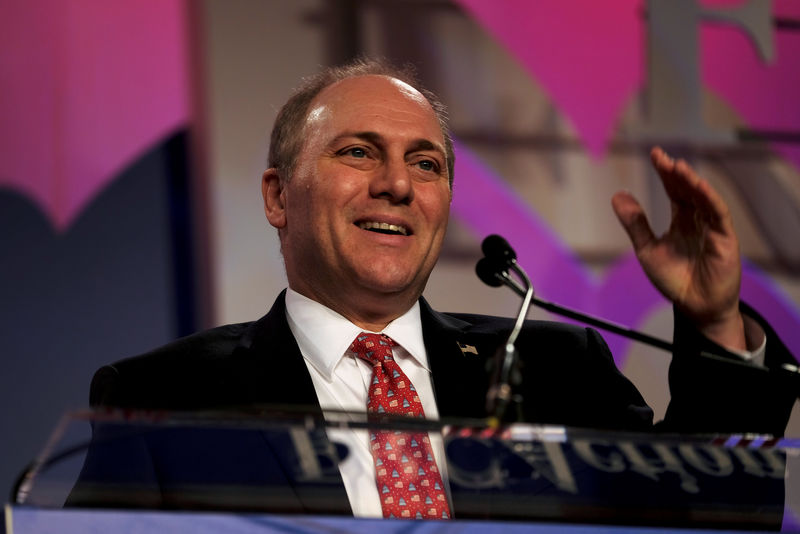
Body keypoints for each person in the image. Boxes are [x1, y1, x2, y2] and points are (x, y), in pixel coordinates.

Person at [76, 59, 796, 519]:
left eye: (426, 165)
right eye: (358, 152)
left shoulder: (556, 367)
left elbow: (712, 509)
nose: (396, 185)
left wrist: (715, 320)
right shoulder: (164, 402)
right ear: (276, 196)